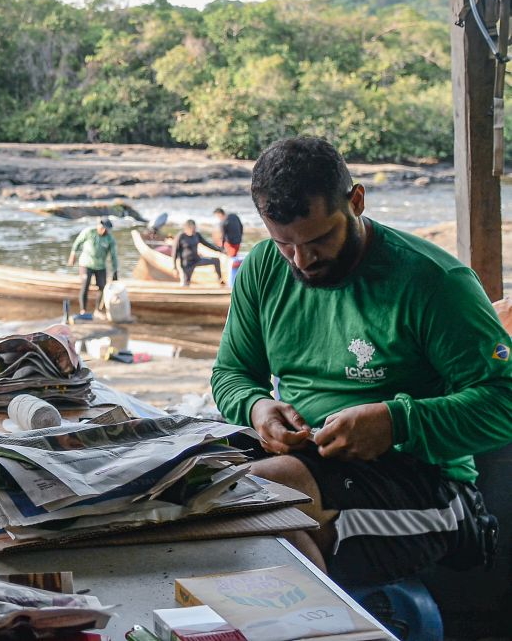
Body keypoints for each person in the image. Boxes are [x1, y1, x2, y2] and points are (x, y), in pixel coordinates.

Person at [211, 136, 512, 586]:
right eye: (284, 244)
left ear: (357, 201)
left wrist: (397, 422)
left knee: (266, 492)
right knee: (199, 487)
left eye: (319, 239)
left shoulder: (435, 283)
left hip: (427, 484)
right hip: (311, 459)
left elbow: (503, 402)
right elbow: (231, 373)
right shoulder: (261, 270)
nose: (303, 260)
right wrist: (257, 407)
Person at [66, 218, 118, 315]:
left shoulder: (110, 239)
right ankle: (83, 310)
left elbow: (113, 256)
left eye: (107, 230)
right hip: (86, 263)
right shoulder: (89, 232)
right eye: (103, 229)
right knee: (85, 284)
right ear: (99, 226)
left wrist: (115, 271)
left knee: (102, 287)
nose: (104, 231)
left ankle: (97, 310)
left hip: (100, 266)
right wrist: (72, 255)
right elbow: (77, 243)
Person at [172, 219, 224, 286]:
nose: (193, 231)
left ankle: (220, 279)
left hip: (197, 260)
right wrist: (174, 267)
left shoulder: (197, 235)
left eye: (195, 229)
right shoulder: (181, 236)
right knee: (185, 283)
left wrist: (219, 250)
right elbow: (174, 252)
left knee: (216, 260)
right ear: (187, 228)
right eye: (192, 229)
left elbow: (207, 244)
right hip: (186, 264)